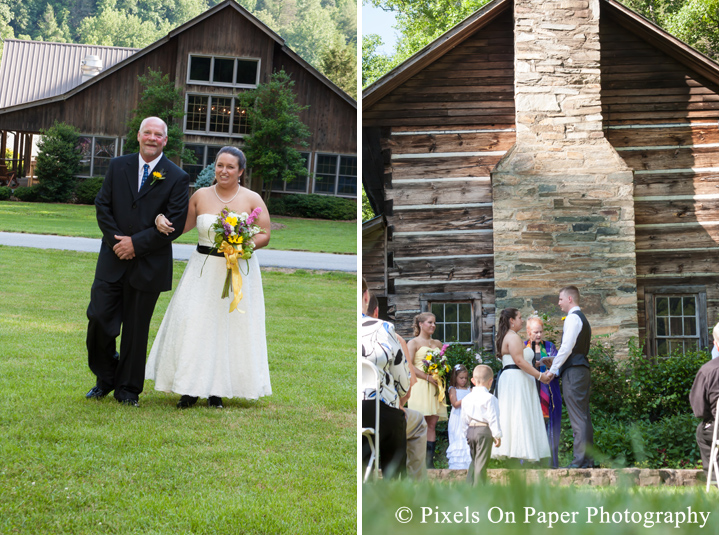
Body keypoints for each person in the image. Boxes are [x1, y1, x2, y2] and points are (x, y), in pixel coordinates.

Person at [145, 146, 272, 408]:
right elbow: (181, 226)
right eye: (219, 165)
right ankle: (189, 388)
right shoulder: (200, 195)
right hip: (201, 270)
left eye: (230, 167)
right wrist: (159, 220)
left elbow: (264, 234)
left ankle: (217, 391)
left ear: (241, 171)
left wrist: (241, 246)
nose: (223, 171)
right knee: (194, 324)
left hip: (236, 270)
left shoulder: (252, 199)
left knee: (228, 328)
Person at [85, 117, 190, 407]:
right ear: (139, 136)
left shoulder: (177, 177)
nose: (153, 138)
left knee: (135, 329)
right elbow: (102, 205)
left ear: (165, 141)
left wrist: (136, 245)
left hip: (148, 266)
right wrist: (118, 242)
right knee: (98, 319)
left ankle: (128, 390)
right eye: (148, 132)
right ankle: (106, 377)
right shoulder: (119, 166)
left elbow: (176, 223)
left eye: (159, 134)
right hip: (112, 259)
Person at [361, 282, 428, 479]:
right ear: (366, 297)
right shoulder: (384, 329)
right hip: (377, 412)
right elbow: (404, 384)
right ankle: (403, 487)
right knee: (409, 422)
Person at [543, 286, 594, 468]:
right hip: (581, 370)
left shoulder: (572, 318)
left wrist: (552, 370)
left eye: (560, 299)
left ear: (570, 299)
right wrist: (553, 361)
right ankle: (587, 460)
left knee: (578, 417)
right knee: (583, 416)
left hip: (574, 372)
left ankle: (579, 461)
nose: (558, 303)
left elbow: (567, 347)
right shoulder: (582, 319)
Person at [491, 308, 550, 463]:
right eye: (519, 317)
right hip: (516, 380)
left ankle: (515, 454)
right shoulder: (513, 337)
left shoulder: (506, 336)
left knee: (513, 414)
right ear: (512, 320)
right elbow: (519, 361)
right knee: (518, 414)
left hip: (513, 378)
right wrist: (539, 376)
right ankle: (517, 454)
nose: (522, 320)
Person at [407, 312, 448, 468]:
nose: (433, 325)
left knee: (432, 424)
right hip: (421, 385)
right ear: (420, 324)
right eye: (430, 322)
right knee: (420, 424)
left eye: (434, 323)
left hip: (435, 387)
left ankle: (429, 464)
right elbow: (409, 365)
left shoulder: (437, 343)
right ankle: (417, 463)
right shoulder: (414, 343)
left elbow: (443, 363)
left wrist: (440, 372)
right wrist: (427, 377)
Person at [526, 315, 562, 468]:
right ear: (528, 332)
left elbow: (558, 365)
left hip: (547, 389)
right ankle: (528, 461)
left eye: (540, 332)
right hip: (529, 388)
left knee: (547, 423)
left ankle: (547, 462)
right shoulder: (522, 346)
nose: (539, 335)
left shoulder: (549, 346)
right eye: (535, 332)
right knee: (529, 423)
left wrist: (551, 371)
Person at [460, 365, 501, 484]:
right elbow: (493, 417)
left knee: (475, 461)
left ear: (472, 380)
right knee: (481, 463)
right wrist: (497, 434)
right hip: (483, 430)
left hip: (470, 430)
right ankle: (479, 490)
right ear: (490, 381)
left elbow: (464, 418)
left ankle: (469, 487)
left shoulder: (467, 398)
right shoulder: (490, 398)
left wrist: (465, 433)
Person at [690, 321, 719, 483]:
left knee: (703, 433)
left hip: (718, 427)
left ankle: (717, 481)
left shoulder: (709, 370)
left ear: (716, 344)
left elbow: (700, 410)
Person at [446, 364, 472, 470]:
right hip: (457, 417)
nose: (464, 380)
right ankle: (456, 465)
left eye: (465, 378)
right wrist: (467, 398)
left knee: (466, 437)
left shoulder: (469, 389)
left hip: (467, 416)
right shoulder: (453, 389)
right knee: (457, 436)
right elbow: (455, 404)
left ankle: (467, 463)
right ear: (455, 377)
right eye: (461, 378)